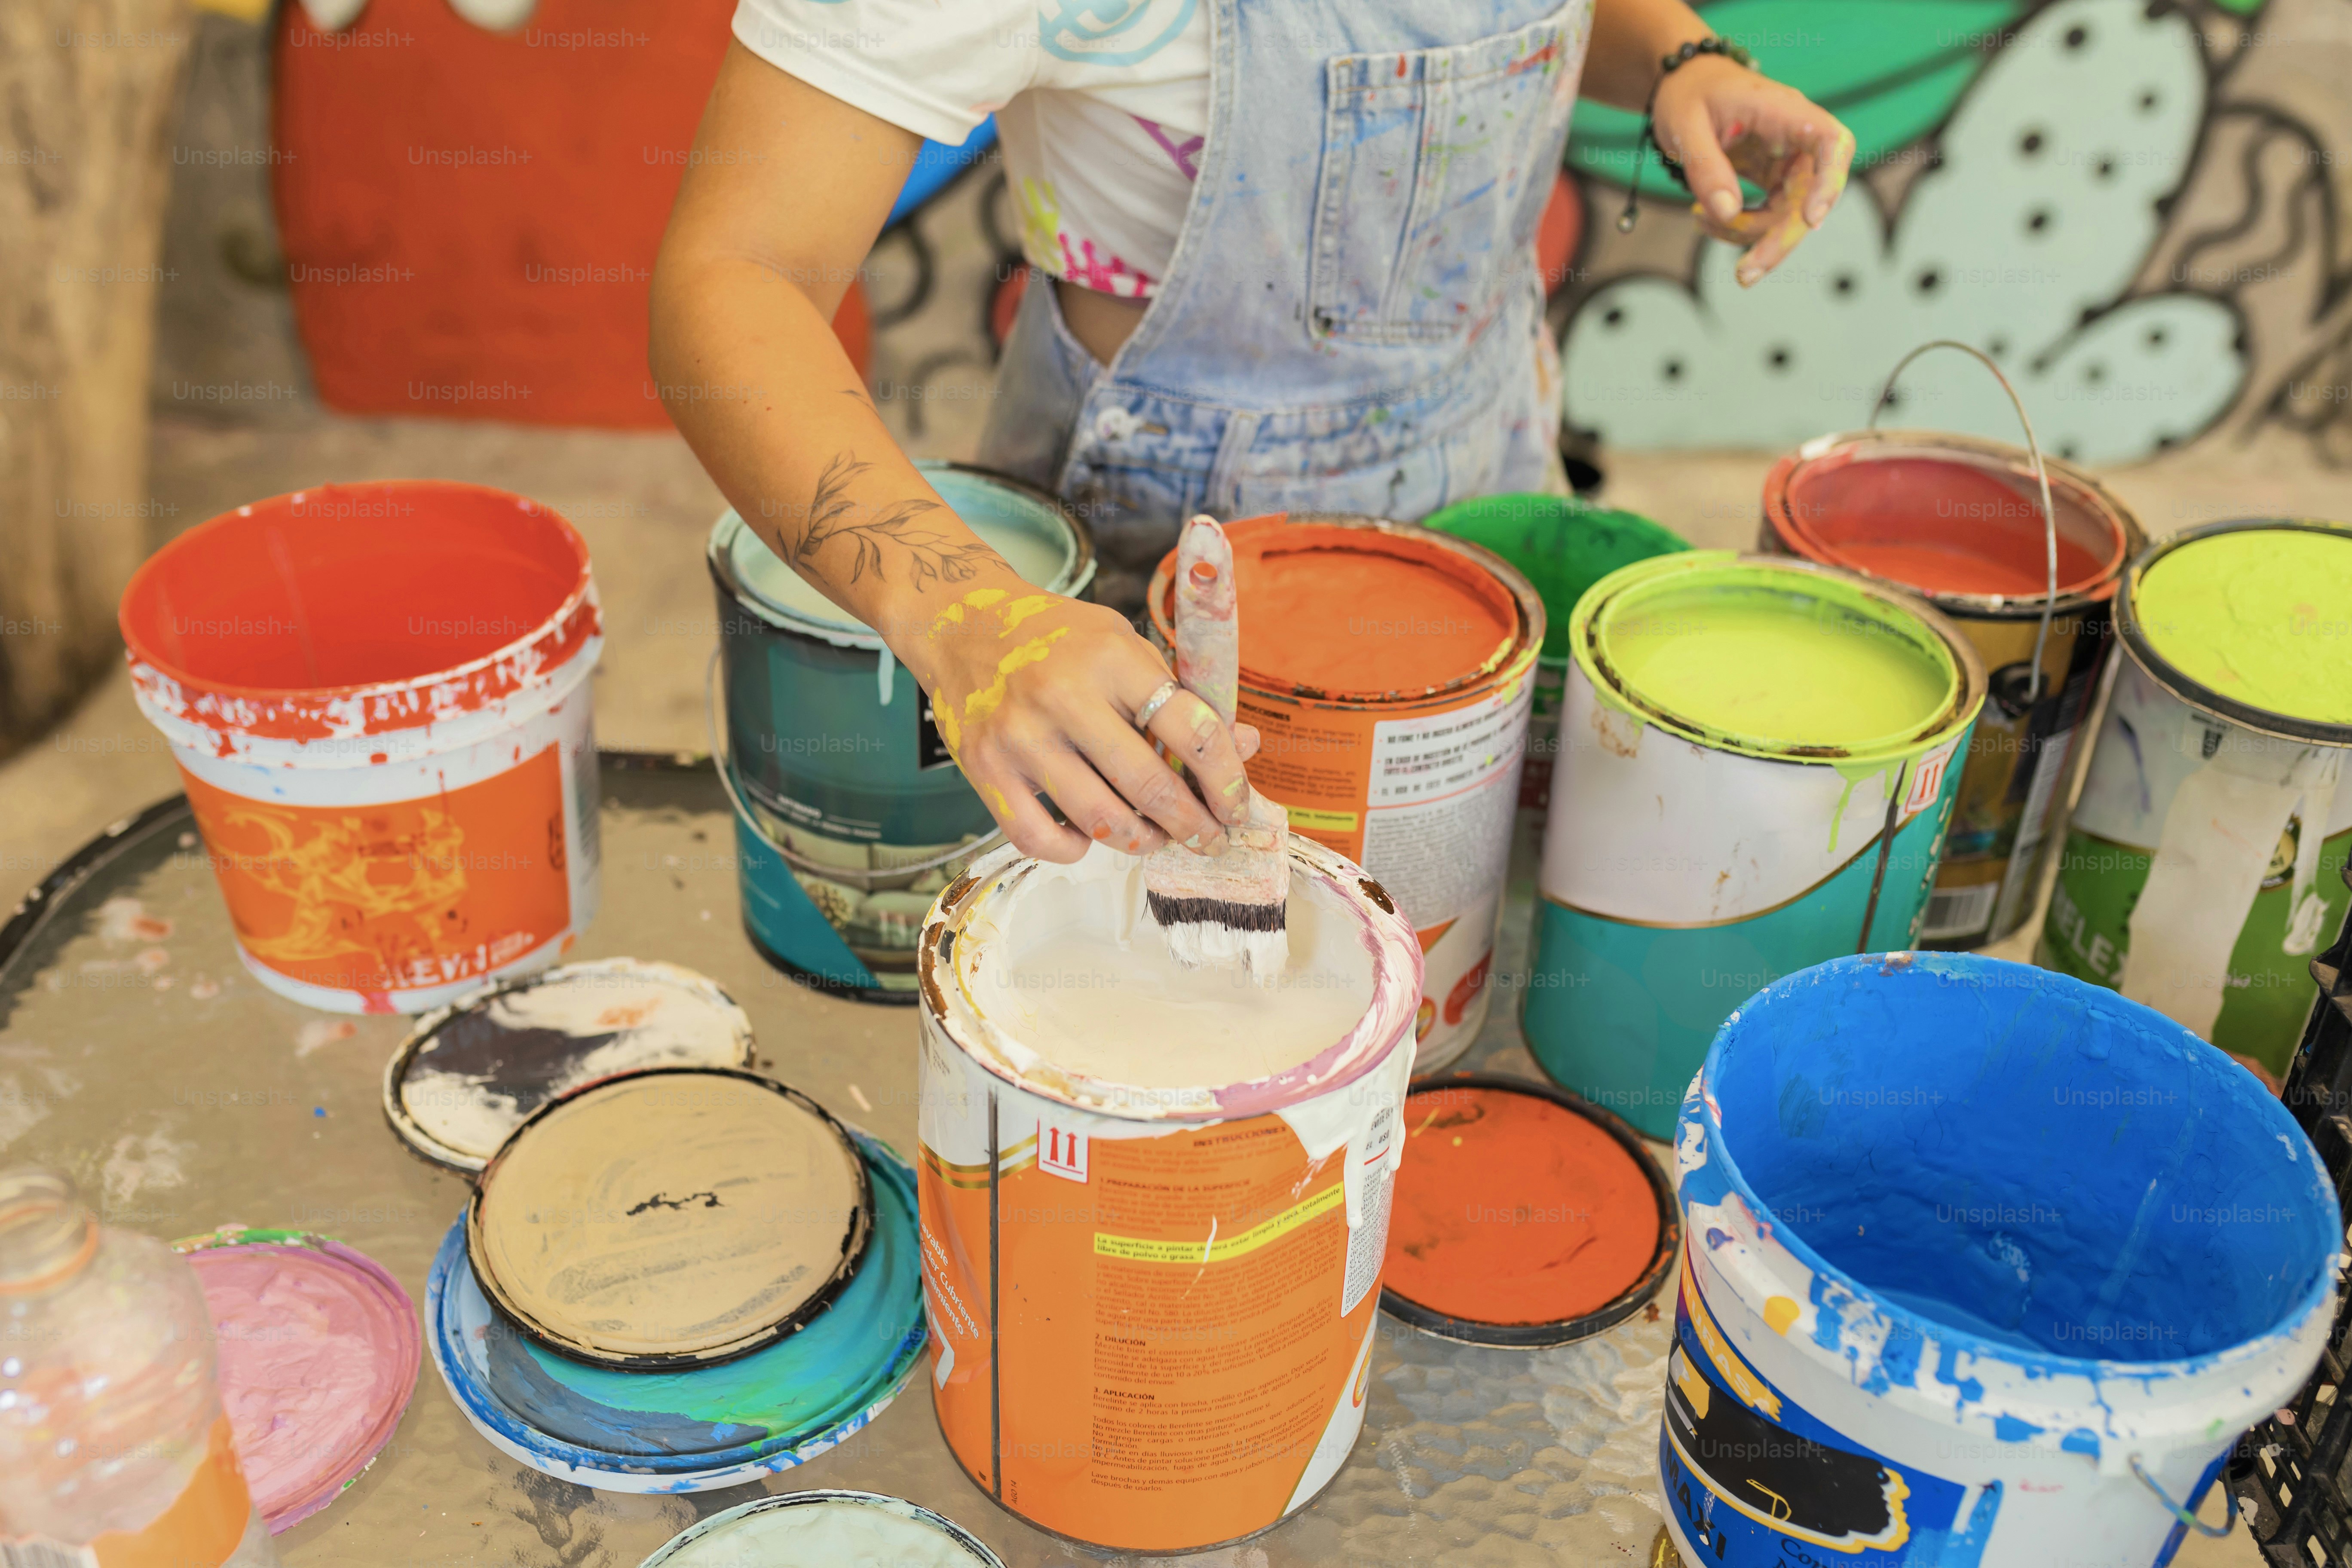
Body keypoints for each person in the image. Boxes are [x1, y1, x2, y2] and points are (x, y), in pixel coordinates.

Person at [650, 0, 1854, 867]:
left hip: (1488, 485)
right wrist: (968, 618)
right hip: (1155, 607)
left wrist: (1675, 57)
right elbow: (735, 275)